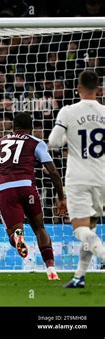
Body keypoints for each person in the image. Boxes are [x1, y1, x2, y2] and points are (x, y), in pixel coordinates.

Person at [0, 112, 66, 281]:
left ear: (13, 128)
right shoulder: (36, 143)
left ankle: (17, 235)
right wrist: (61, 197)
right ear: (31, 129)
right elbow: (53, 172)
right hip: (27, 187)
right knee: (39, 227)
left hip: (4, 189)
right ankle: (51, 269)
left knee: (13, 237)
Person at [48, 70, 105, 288]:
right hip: (102, 178)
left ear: (78, 88)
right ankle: (79, 276)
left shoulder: (68, 111)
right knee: (90, 230)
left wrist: (68, 137)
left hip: (79, 179)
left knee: (80, 229)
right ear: (98, 89)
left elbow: (54, 142)